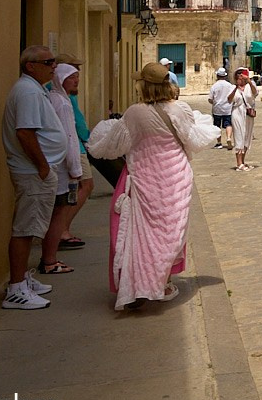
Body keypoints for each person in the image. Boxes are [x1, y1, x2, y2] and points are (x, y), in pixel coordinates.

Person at [86, 62, 218, 310]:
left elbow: (116, 145)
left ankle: (140, 284)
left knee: (142, 233)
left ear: (143, 86)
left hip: (145, 177)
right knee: (170, 233)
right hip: (175, 178)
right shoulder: (179, 109)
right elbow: (193, 140)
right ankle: (160, 281)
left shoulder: (134, 113)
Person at [0, 46, 67, 309]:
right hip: (32, 172)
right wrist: (43, 167)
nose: (53, 65)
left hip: (36, 171)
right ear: (30, 66)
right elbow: (25, 133)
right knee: (25, 229)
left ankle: (22, 280)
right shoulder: (28, 92)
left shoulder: (34, 89)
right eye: (48, 61)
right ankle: (16, 289)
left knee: (32, 227)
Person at [52, 64, 92, 252]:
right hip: (74, 151)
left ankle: (61, 230)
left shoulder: (64, 97)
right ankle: (62, 231)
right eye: (73, 75)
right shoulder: (63, 101)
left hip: (74, 149)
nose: (77, 79)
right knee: (80, 188)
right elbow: (71, 129)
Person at [229, 66, 260, 171]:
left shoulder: (249, 86)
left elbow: (255, 93)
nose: (240, 79)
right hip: (237, 113)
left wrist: (249, 82)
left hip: (248, 114)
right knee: (239, 136)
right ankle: (238, 163)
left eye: (242, 76)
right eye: (238, 76)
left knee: (247, 136)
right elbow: (229, 100)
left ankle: (242, 161)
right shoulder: (233, 88)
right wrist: (235, 88)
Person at [208, 68, 234, 149]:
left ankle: (219, 142)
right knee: (228, 124)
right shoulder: (229, 85)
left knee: (217, 126)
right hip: (228, 108)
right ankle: (229, 138)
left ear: (217, 75)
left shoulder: (214, 86)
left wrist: (213, 102)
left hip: (217, 109)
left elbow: (210, 99)